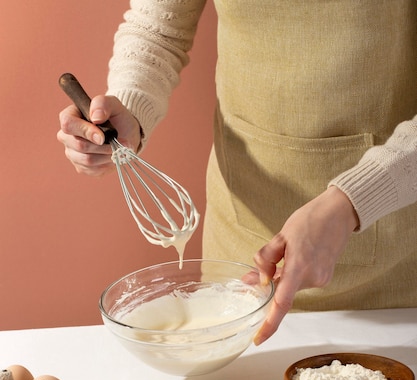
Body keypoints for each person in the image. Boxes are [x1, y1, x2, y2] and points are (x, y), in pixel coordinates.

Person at [58, 1, 417, 345]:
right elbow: (158, 29)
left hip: (393, 284)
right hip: (239, 264)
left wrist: (352, 202)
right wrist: (131, 110)